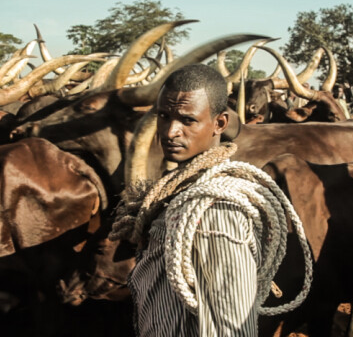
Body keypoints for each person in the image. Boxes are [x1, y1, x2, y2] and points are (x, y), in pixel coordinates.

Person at [109, 64, 303, 336]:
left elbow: (231, 329)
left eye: (188, 120)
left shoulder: (216, 211)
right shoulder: (181, 193)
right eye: (164, 116)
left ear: (219, 123)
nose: (170, 131)